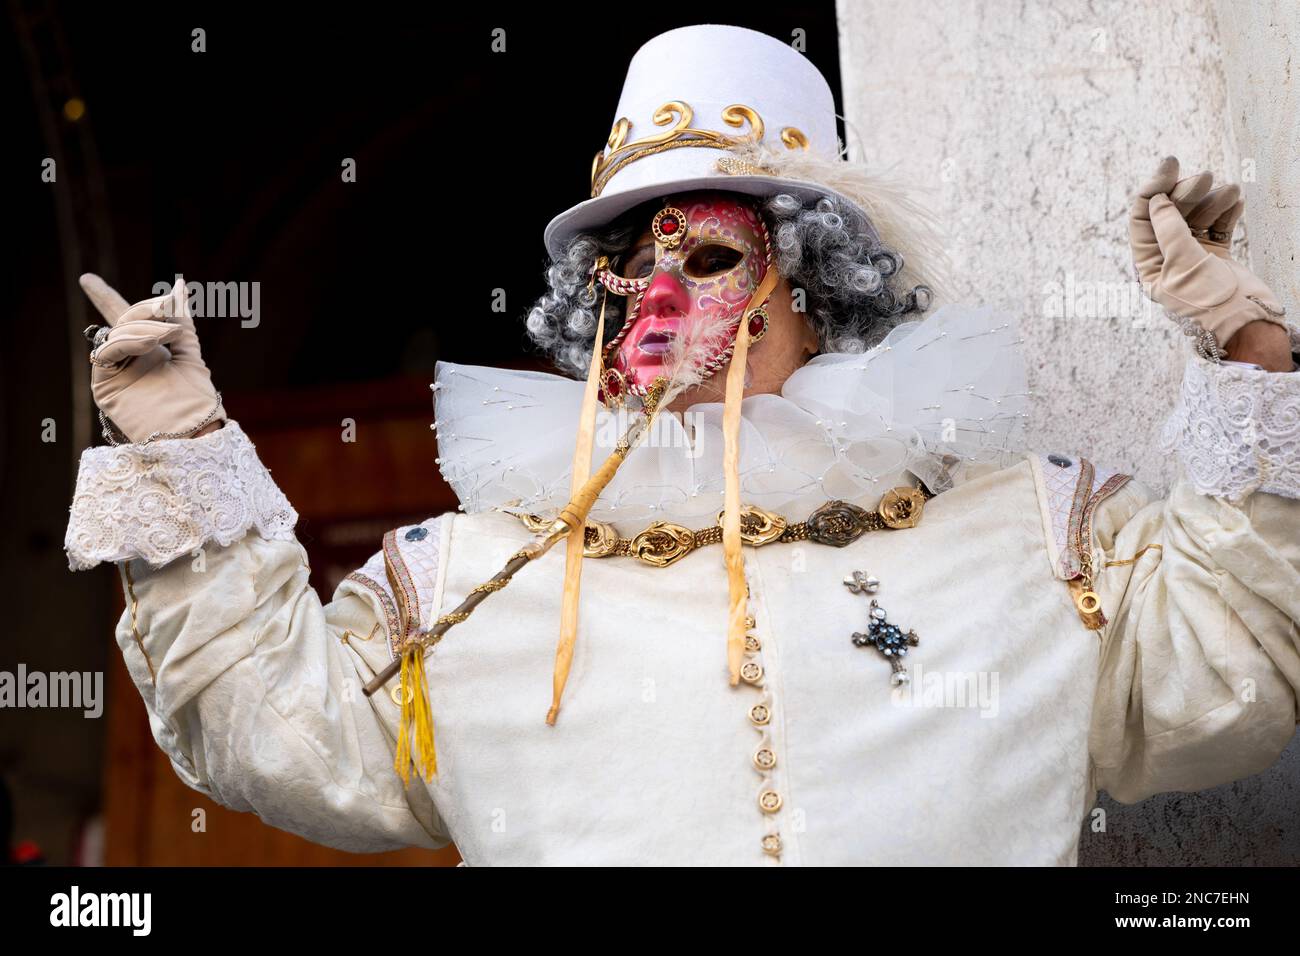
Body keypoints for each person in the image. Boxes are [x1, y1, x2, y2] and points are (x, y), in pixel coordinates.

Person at [65, 24, 1299, 866]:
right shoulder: (472, 579)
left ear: (817, 287)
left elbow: (1229, 672)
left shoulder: (1029, 535)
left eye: (708, 257)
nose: (652, 298)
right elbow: (270, 730)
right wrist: (184, 450)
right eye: (622, 270)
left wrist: (1245, 345)